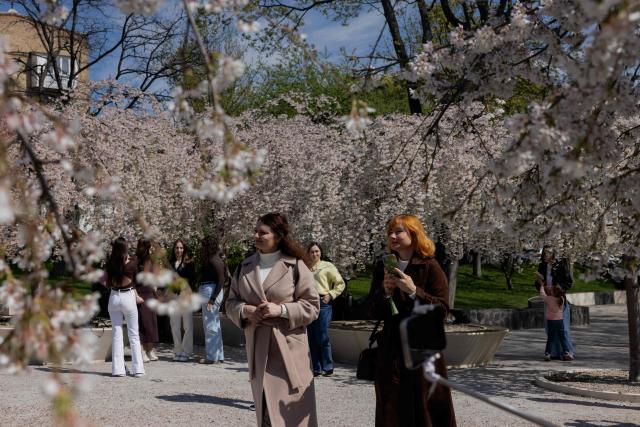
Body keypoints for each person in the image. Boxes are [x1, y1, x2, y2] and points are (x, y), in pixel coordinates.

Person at [226, 212, 320, 427]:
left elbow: (312, 307)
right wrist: (246, 310)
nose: (257, 235)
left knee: (292, 413)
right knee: (266, 410)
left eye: (263, 232)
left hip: (288, 348)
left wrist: (281, 310)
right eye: (255, 231)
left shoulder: (295, 266)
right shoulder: (245, 266)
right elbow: (230, 304)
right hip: (258, 346)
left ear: (277, 236)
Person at [368, 214, 456, 427]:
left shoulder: (430, 266)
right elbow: (371, 310)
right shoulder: (384, 267)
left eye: (399, 231)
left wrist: (413, 291)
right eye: (390, 232)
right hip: (391, 350)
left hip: (422, 350)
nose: (392, 236)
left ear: (414, 235)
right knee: (392, 408)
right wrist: (386, 293)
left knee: (424, 408)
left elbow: (442, 310)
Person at [105, 237, 145, 377]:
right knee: (133, 333)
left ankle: (118, 370)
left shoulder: (110, 263)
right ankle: (138, 369)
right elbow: (134, 280)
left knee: (117, 334)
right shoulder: (132, 264)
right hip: (128, 297)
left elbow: (107, 283)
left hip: (114, 296)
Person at [306, 242, 345, 377]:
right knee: (311, 335)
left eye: (317, 251)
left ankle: (328, 366)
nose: (314, 254)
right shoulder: (306, 267)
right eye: (312, 251)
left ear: (320, 252)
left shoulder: (328, 266)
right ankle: (316, 367)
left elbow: (340, 283)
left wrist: (331, 295)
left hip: (322, 302)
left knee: (322, 334)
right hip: (308, 303)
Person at [534, 245, 574, 359]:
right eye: (544, 253)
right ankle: (554, 352)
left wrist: (557, 290)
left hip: (558, 298)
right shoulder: (542, 265)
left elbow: (568, 282)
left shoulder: (561, 264)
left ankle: (567, 352)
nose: (546, 255)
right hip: (548, 298)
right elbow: (537, 284)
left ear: (553, 254)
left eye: (548, 253)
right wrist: (540, 282)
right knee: (550, 328)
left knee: (563, 328)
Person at [197, 235, 226, 364]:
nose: (201, 248)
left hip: (210, 291)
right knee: (214, 325)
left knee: (210, 326)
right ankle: (218, 356)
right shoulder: (216, 259)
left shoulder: (214, 260)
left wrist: (212, 299)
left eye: (203, 245)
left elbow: (221, 280)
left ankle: (212, 357)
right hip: (210, 291)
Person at [169, 238, 196, 362]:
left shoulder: (189, 263)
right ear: (174, 249)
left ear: (184, 249)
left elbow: (191, 279)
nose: (179, 250)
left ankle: (186, 351)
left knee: (187, 325)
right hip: (174, 296)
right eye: (177, 248)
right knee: (174, 325)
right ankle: (178, 350)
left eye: (181, 248)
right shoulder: (170, 263)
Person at [135, 238, 160, 363]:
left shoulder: (152, 261)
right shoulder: (136, 261)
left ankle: (150, 349)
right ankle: (142, 351)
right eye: (150, 247)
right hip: (140, 294)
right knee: (142, 323)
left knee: (151, 323)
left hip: (150, 293)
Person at [537, 283, 573, 361]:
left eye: (551, 290)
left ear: (553, 293)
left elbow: (542, 295)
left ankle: (547, 354)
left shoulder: (549, 299)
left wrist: (542, 286)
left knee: (551, 338)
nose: (550, 290)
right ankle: (566, 352)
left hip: (551, 321)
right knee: (562, 337)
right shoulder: (562, 299)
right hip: (560, 321)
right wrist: (552, 289)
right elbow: (555, 292)